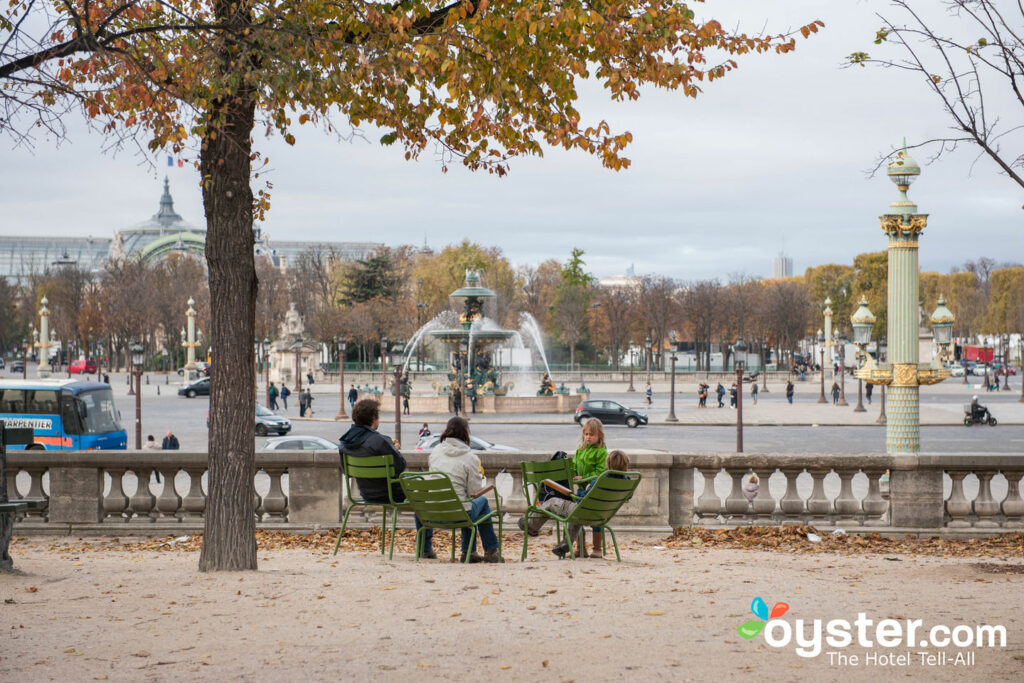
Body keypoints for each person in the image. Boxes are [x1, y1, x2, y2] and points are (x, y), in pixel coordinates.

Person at [339, 398, 435, 558]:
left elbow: (345, 471)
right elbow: (400, 465)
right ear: (373, 418)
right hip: (390, 493)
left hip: (365, 492)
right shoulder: (379, 440)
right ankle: (425, 548)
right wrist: (395, 450)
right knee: (422, 488)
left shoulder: (344, 442)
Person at [520, 450, 630, 558]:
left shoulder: (600, 480)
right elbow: (628, 497)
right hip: (602, 516)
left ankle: (531, 525)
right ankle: (567, 543)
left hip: (583, 512)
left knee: (552, 502)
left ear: (608, 464)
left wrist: (585, 489)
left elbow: (583, 499)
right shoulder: (627, 482)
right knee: (576, 514)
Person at [427, 417, 502, 563]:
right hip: (459, 514)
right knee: (481, 503)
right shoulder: (470, 457)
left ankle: (425, 550)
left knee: (465, 503)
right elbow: (473, 493)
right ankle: (489, 550)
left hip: (432, 512)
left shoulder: (435, 452)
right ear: (466, 434)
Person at [569, 418, 609, 558]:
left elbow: (600, 472)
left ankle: (597, 549)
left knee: (595, 519)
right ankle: (581, 549)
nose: (588, 437)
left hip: (594, 491)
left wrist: (585, 477)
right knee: (578, 517)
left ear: (599, 436)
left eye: (591, 434)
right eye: (586, 434)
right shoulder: (581, 450)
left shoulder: (601, 452)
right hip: (581, 490)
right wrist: (572, 473)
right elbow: (574, 465)